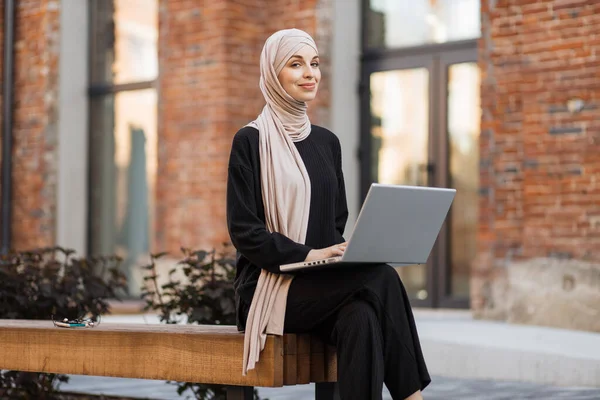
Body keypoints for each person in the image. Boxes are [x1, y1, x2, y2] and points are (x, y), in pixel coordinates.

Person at [226, 28, 430, 400]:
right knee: (380, 278)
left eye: (315, 64)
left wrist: (338, 255)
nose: (310, 73)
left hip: (320, 281)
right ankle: (412, 397)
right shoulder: (250, 141)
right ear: (273, 73)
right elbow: (244, 231)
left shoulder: (326, 143)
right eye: (296, 64)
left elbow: (336, 222)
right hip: (269, 288)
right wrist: (306, 255)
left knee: (362, 320)